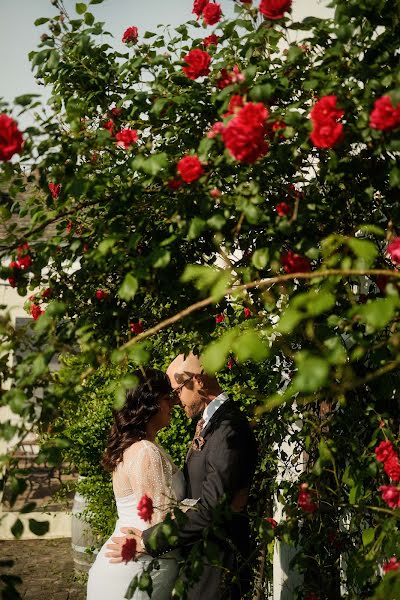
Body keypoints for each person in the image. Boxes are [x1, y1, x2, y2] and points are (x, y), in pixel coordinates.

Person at [107, 352, 258, 600]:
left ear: (198, 380)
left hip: (216, 566)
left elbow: (211, 508)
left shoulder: (229, 429)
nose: (176, 402)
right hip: (198, 561)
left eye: (176, 391)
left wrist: (148, 541)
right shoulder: (211, 425)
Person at [87, 368, 186, 600]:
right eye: (166, 398)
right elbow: (158, 521)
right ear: (151, 404)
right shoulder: (145, 451)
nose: (172, 404)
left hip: (132, 565)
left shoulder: (136, 448)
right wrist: (201, 507)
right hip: (140, 569)